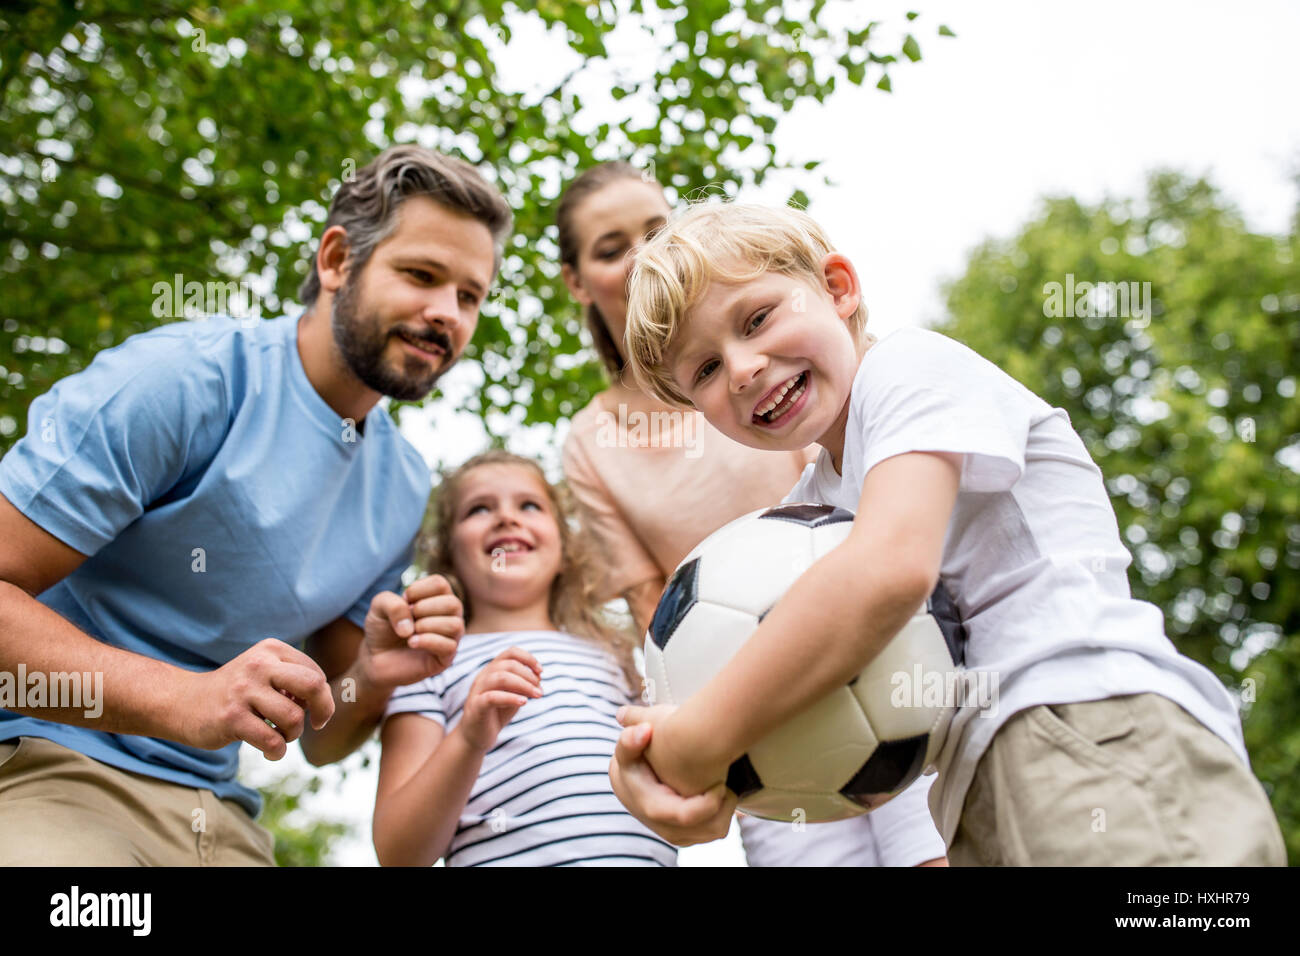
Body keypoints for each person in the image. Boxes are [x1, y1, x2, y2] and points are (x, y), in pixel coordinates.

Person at [610, 201, 1288, 866]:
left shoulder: (909, 370)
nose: (743, 367)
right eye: (704, 369)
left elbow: (888, 573)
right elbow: (794, 670)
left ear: (837, 288)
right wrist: (666, 772)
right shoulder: (805, 516)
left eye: (756, 319)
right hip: (974, 793)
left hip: (1090, 727)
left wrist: (697, 741)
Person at [0, 145, 511, 865]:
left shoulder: (400, 488)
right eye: (421, 275)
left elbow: (325, 735)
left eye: (469, 296)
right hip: (52, 767)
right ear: (337, 261)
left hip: (222, 819)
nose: (445, 315)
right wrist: (186, 700)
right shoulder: (180, 382)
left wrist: (375, 672)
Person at [557, 163, 946, 866]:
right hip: (752, 721)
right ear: (578, 281)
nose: (646, 252)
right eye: (612, 248)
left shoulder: (787, 378)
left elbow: (887, 530)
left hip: (896, 649)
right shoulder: (591, 442)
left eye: (655, 228)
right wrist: (692, 740)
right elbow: (658, 605)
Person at [373, 450, 677, 866]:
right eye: (479, 508)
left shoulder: (616, 655)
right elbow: (398, 853)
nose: (506, 518)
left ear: (564, 546)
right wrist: (468, 738)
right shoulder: (428, 664)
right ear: (447, 552)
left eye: (529, 505)